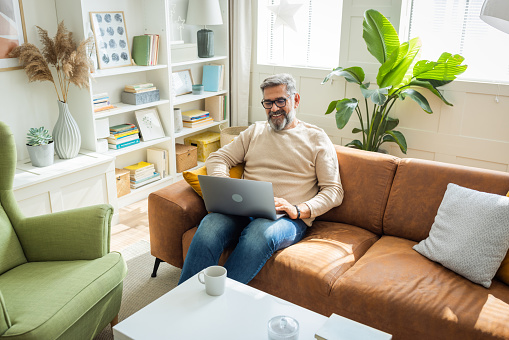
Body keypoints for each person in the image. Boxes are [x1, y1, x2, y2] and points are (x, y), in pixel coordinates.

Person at [178, 73, 344, 285]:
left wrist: (299, 209)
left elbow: (334, 191)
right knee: (209, 225)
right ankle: (184, 296)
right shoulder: (254, 131)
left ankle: (217, 298)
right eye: (268, 102)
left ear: (296, 100)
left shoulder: (316, 138)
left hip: (288, 218)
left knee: (259, 234)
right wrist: (225, 184)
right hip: (245, 210)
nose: (274, 108)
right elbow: (218, 157)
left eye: (280, 101)